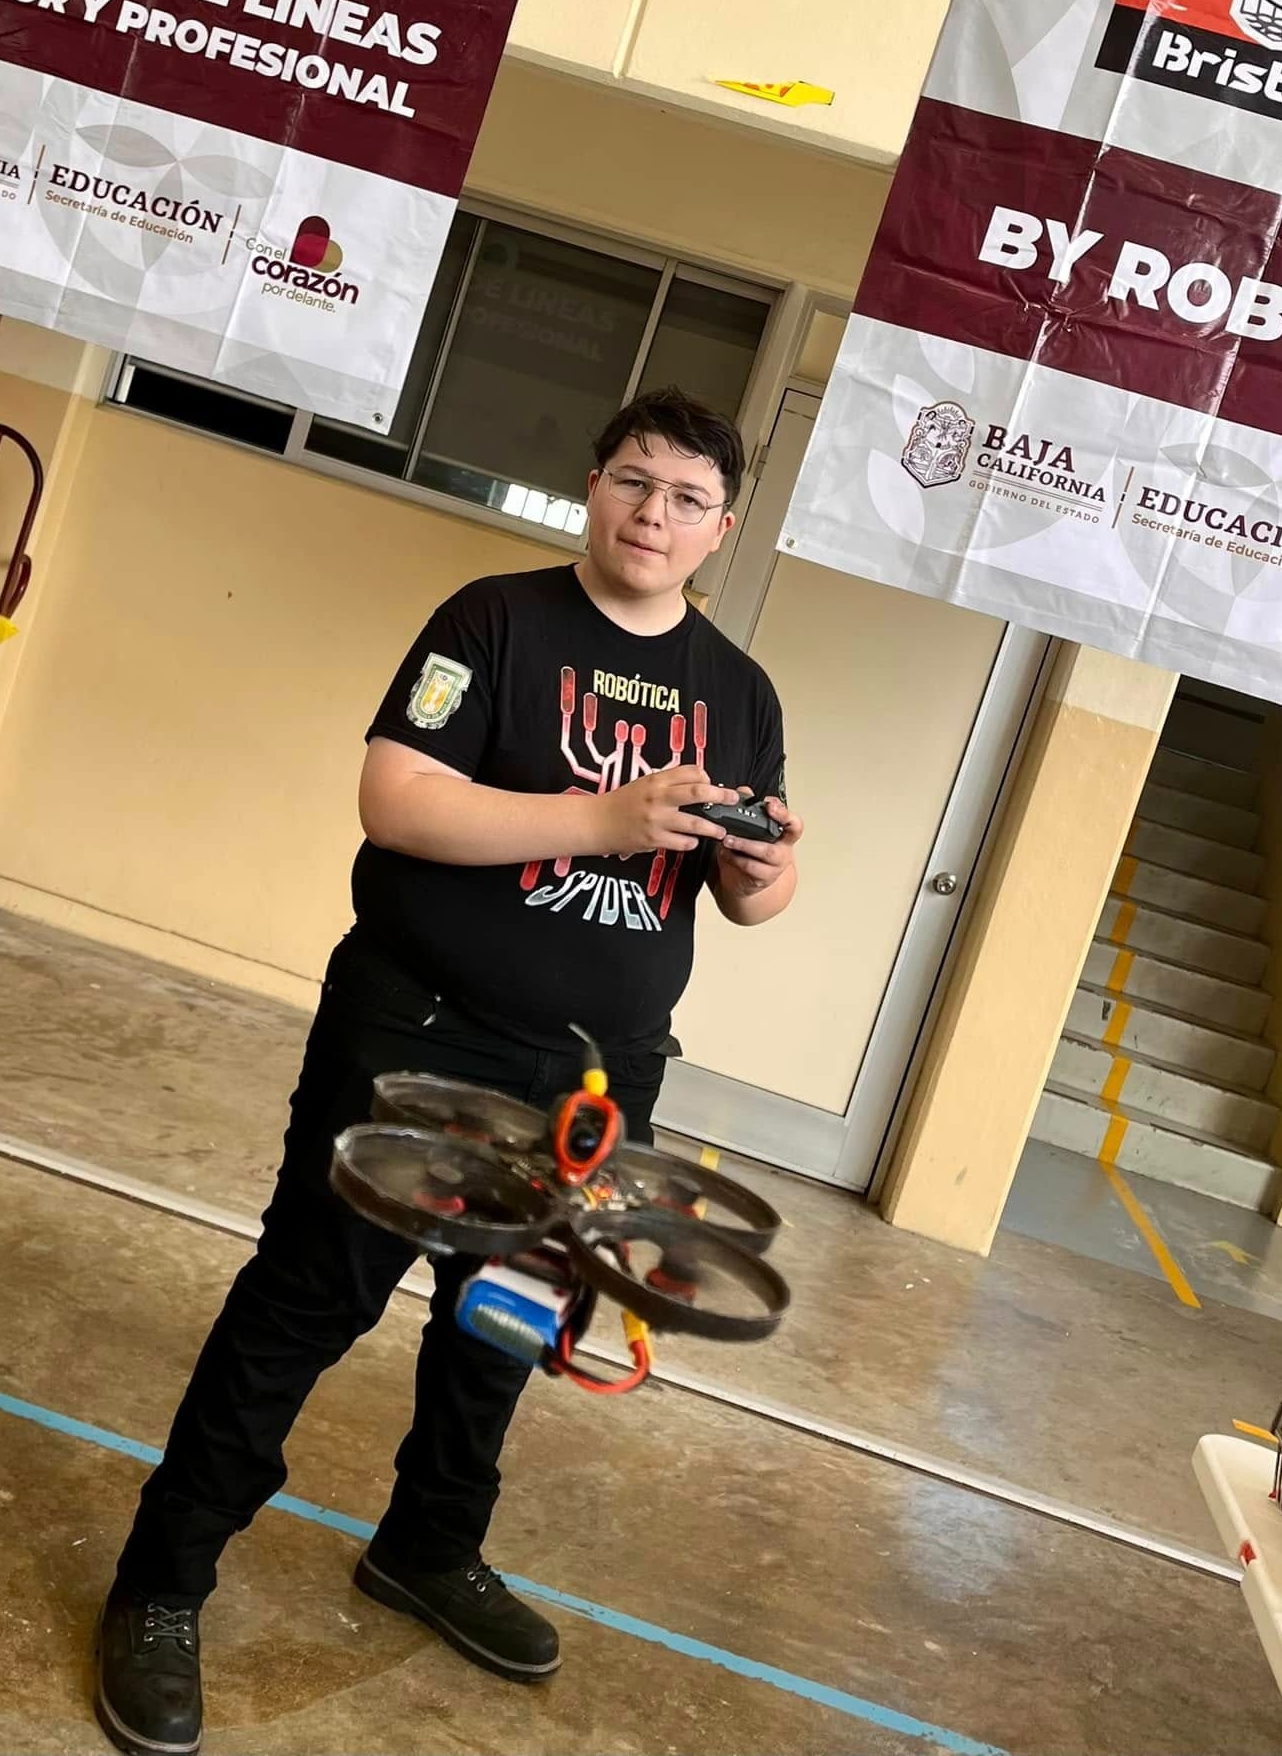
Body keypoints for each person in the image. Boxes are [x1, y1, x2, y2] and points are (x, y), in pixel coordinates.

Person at [95, 387, 804, 1756]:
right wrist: (605, 816)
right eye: (634, 482)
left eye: (687, 499)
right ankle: (162, 1582)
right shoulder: (493, 622)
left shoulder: (741, 692)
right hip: (420, 1035)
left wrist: (766, 866)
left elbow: (748, 902)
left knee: (504, 1322)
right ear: (594, 487)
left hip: (596, 1081)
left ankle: (427, 1545)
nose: (654, 515)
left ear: (721, 529)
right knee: (309, 1297)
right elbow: (398, 800)